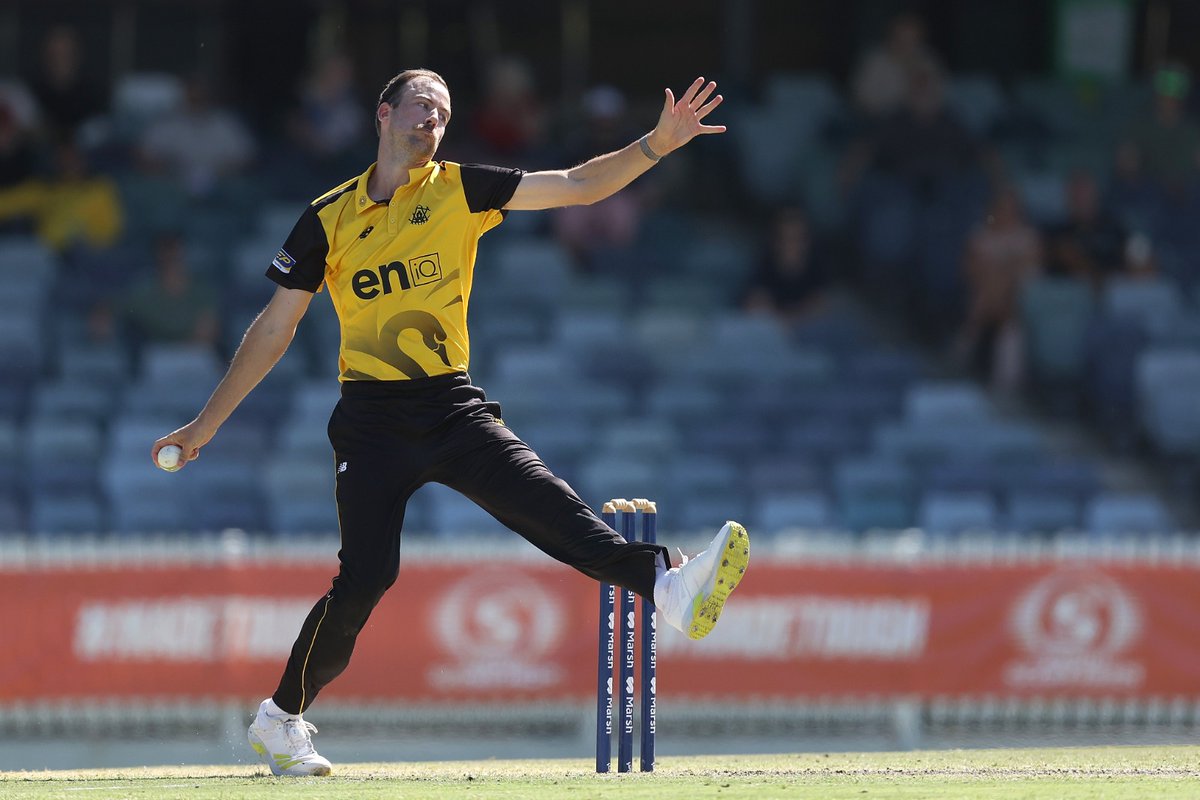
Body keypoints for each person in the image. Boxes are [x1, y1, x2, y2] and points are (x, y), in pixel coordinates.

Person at [151, 69, 748, 777]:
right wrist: (206, 423)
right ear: (383, 114)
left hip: (451, 406)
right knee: (367, 578)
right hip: (371, 421)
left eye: (443, 112)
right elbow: (274, 328)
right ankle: (280, 722)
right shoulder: (327, 218)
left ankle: (667, 587)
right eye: (421, 106)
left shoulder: (461, 188)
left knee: (546, 503)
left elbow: (579, 184)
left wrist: (656, 144)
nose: (432, 120)